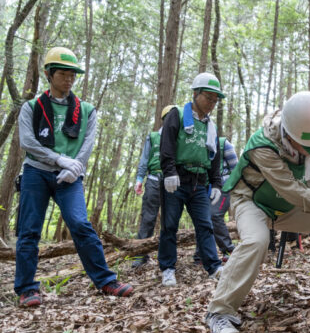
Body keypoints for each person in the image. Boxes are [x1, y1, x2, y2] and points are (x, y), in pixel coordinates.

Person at [205, 91, 310, 333]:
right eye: (307, 147)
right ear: (289, 135)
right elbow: (292, 190)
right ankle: (219, 312)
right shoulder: (263, 146)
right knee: (257, 241)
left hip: (285, 207)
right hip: (252, 201)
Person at [15, 46, 134, 307]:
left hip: (70, 177)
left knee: (81, 224)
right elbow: (27, 141)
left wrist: (75, 166)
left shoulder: (87, 110)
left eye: (73, 75)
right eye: (63, 74)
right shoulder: (31, 107)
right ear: (49, 74)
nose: (69, 80)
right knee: (29, 231)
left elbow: (88, 142)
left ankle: (106, 281)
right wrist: (57, 158)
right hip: (36, 172)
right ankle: (26, 289)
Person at [158, 72, 224, 286]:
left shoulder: (210, 125)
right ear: (195, 94)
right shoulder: (176, 114)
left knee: (205, 225)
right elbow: (166, 144)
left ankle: (213, 267)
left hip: (199, 182)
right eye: (208, 98)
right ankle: (167, 268)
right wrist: (169, 172)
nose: (212, 103)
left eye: (215, 100)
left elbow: (214, 155)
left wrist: (216, 183)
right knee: (169, 225)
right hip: (176, 178)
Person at [132, 105, 177, 268]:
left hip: (171, 181)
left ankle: (166, 256)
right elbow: (145, 159)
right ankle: (139, 255)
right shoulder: (152, 137)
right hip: (153, 180)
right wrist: (139, 179)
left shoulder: (178, 138)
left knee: (170, 219)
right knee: (148, 218)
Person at [192, 136, 237, 264]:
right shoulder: (198, 144)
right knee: (201, 218)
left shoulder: (224, 144)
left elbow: (236, 168)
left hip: (224, 186)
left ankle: (228, 249)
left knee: (214, 215)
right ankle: (200, 254)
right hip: (205, 187)